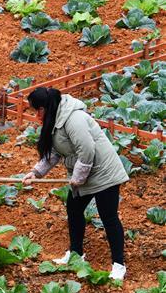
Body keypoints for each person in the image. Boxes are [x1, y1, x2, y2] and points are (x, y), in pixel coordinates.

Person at [22, 87, 130, 281]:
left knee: (108, 217)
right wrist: (35, 173)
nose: (36, 115)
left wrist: (78, 178)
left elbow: (87, 150)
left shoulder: (74, 118)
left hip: (104, 173)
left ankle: (119, 265)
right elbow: (55, 153)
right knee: (73, 209)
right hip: (84, 173)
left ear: (44, 107)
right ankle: (76, 254)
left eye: (36, 110)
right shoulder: (55, 120)